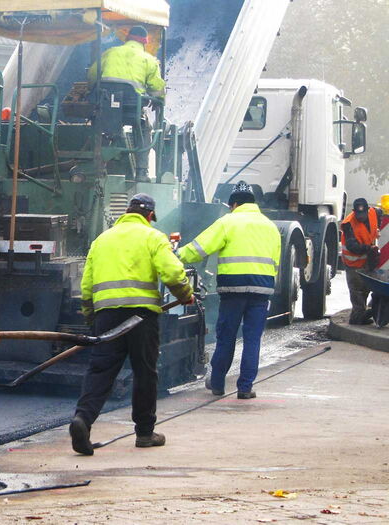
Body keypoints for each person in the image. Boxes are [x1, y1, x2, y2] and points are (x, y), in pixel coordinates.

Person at [69, 193, 194, 456]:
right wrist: (185, 295)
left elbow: (87, 286)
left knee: (100, 370)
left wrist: (92, 318)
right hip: (141, 317)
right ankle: (145, 433)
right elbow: (172, 272)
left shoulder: (101, 240)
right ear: (149, 216)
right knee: (145, 371)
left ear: (126, 213)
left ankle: (82, 419)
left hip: (107, 316)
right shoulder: (153, 237)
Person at [177, 181, 280, 399]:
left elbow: (200, 248)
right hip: (262, 289)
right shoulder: (270, 226)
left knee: (227, 336)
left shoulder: (228, 221)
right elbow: (276, 262)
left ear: (233, 204)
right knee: (253, 339)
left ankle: (217, 384)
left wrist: (177, 255)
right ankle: (245, 388)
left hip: (232, 289)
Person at [87, 25, 166, 182]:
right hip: (131, 110)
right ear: (144, 42)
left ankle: (97, 166)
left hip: (106, 107)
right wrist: (159, 100)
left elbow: (91, 76)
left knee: (101, 128)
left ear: (127, 38)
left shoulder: (109, 53)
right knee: (144, 128)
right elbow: (157, 88)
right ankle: (142, 172)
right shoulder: (148, 60)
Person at [341, 197, 381, 324]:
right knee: (357, 291)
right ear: (354, 211)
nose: (361, 217)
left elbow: (381, 213)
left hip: (366, 261)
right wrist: (369, 249)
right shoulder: (348, 223)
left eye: (363, 214)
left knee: (366, 288)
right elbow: (352, 246)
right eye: (358, 215)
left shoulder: (374, 213)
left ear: (368, 210)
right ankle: (357, 317)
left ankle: (363, 314)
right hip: (352, 264)